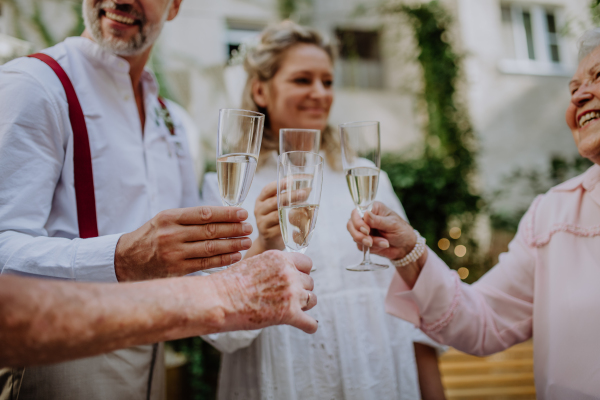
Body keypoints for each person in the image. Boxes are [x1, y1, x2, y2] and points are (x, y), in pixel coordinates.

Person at [0, 0, 316, 399]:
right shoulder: (33, 85)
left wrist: (263, 251)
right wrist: (122, 258)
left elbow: (198, 274)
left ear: (175, 6)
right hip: (57, 368)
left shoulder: (175, 122)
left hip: (155, 369)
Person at [347, 28, 600, 399]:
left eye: (598, 78)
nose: (579, 96)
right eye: (572, 88)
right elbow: (482, 320)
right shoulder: (552, 215)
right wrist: (409, 251)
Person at [201, 21, 445, 400]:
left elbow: (409, 297)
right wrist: (262, 244)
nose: (320, 93)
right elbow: (223, 333)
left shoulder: (365, 174)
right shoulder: (227, 185)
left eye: (327, 82)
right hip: (286, 380)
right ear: (260, 90)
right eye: (302, 80)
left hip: (377, 375)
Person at [0, 251, 316, 368]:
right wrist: (224, 293)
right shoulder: (42, 101)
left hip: (155, 352)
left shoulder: (175, 124)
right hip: (63, 358)